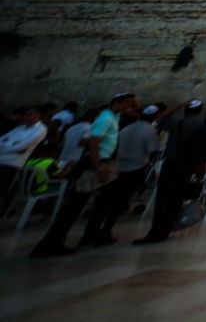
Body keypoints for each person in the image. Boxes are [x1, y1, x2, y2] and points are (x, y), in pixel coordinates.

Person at [31, 92, 135, 258]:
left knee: (103, 201)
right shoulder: (107, 118)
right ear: (116, 102)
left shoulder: (113, 117)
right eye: (125, 103)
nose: (128, 106)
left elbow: (87, 139)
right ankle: (51, 243)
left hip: (103, 161)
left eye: (130, 103)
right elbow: (93, 142)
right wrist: (99, 167)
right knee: (74, 205)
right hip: (94, 164)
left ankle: (90, 234)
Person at [133, 100, 206, 245]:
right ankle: (168, 228)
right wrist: (203, 163)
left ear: (186, 110)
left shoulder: (176, 122)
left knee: (164, 198)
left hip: (173, 163)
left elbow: (159, 119)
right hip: (190, 164)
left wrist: (178, 105)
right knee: (177, 196)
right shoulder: (205, 123)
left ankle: (157, 231)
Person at [82, 103, 162, 245]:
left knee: (105, 201)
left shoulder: (125, 128)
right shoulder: (150, 130)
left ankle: (90, 232)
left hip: (117, 167)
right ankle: (106, 231)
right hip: (135, 168)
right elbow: (152, 151)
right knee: (119, 202)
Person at [0, 106, 48, 213]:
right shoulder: (19, 129)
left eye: (30, 113)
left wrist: (7, 145)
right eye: (26, 113)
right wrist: (12, 144)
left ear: (38, 115)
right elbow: (2, 141)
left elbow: (22, 147)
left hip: (11, 163)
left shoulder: (40, 129)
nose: (26, 116)